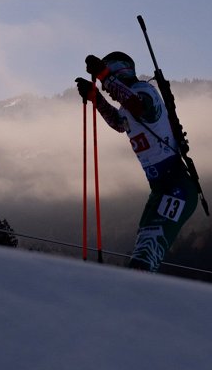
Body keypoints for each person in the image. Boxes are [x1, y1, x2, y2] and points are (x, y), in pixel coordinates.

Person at [75, 52, 199, 271]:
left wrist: (104, 78)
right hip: (161, 188)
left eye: (109, 75)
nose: (107, 86)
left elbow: (141, 108)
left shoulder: (145, 92)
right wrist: (97, 99)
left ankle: (135, 298)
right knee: (143, 249)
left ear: (118, 71)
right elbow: (119, 123)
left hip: (177, 186)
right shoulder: (127, 105)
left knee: (147, 251)